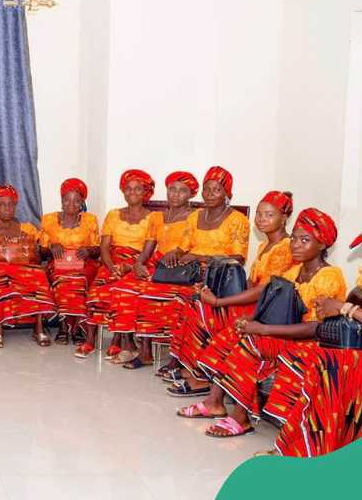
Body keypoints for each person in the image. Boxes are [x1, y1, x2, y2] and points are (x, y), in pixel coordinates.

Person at [267, 194, 362, 457]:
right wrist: (333, 305)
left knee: (330, 365)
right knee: (303, 355)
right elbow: (353, 307)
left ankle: (309, 452)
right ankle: (299, 443)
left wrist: (346, 308)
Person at [174, 208, 346, 438]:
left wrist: (262, 328)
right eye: (294, 238)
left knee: (252, 342)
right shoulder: (295, 271)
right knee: (233, 332)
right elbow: (269, 299)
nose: (295, 244)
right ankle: (214, 401)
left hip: (307, 341)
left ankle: (241, 417)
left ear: (322, 245)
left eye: (305, 240)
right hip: (284, 332)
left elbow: (316, 328)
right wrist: (252, 320)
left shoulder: (329, 276)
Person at [165, 188, 291, 396]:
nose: (261, 219)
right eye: (259, 214)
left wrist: (220, 302)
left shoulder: (283, 248)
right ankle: (192, 369)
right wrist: (218, 295)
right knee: (194, 302)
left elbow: (265, 291)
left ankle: (201, 378)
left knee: (204, 311)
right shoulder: (266, 245)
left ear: (284, 218)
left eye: (269, 215)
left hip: (266, 310)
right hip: (257, 302)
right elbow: (251, 282)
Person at [85, 170, 161, 362]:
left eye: (137, 189)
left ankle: (119, 340)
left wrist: (131, 265)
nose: (132, 192)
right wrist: (112, 267)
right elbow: (104, 248)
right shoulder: (113, 215)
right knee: (98, 289)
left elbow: (150, 249)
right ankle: (91, 339)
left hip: (138, 262)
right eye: (128, 189)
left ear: (146, 192)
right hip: (112, 261)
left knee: (122, 290)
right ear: (123, 191)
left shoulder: (154, 218)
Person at [0, 184, 55, 348]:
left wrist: (31, 248)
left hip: (24, 269)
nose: (8, 208)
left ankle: (39, 329)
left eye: (11, 204)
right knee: (2, 275)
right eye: (2, 204)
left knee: (38, 275)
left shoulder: (27, 228)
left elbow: (38, 258)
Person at [133, 172, 199, 370]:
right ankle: (145, 351)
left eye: (182, 191)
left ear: (191, 194)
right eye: (172, 190)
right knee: (142, 292)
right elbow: (148, 246)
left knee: (174, 299)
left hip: (181, 270)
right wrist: (139, 263)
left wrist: (178, 256)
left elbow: (195, 246)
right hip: (158, 266)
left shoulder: (196, 217)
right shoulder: (156, 217)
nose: (176, 195)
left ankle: (176, 356)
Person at [40, 178, 101, 348]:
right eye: (67, 199)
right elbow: (42, 252)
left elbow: (97, 249)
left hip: (84, 264)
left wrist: (88, 250)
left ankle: (76, 329)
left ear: (82, 203)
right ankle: (63, 327)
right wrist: (52, 246)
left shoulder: (90, 220)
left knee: (80, 281)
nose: (71, 204)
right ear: (61, 201)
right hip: (58, 265)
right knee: (62, 280)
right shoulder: (49, 219)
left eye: (76, 200)